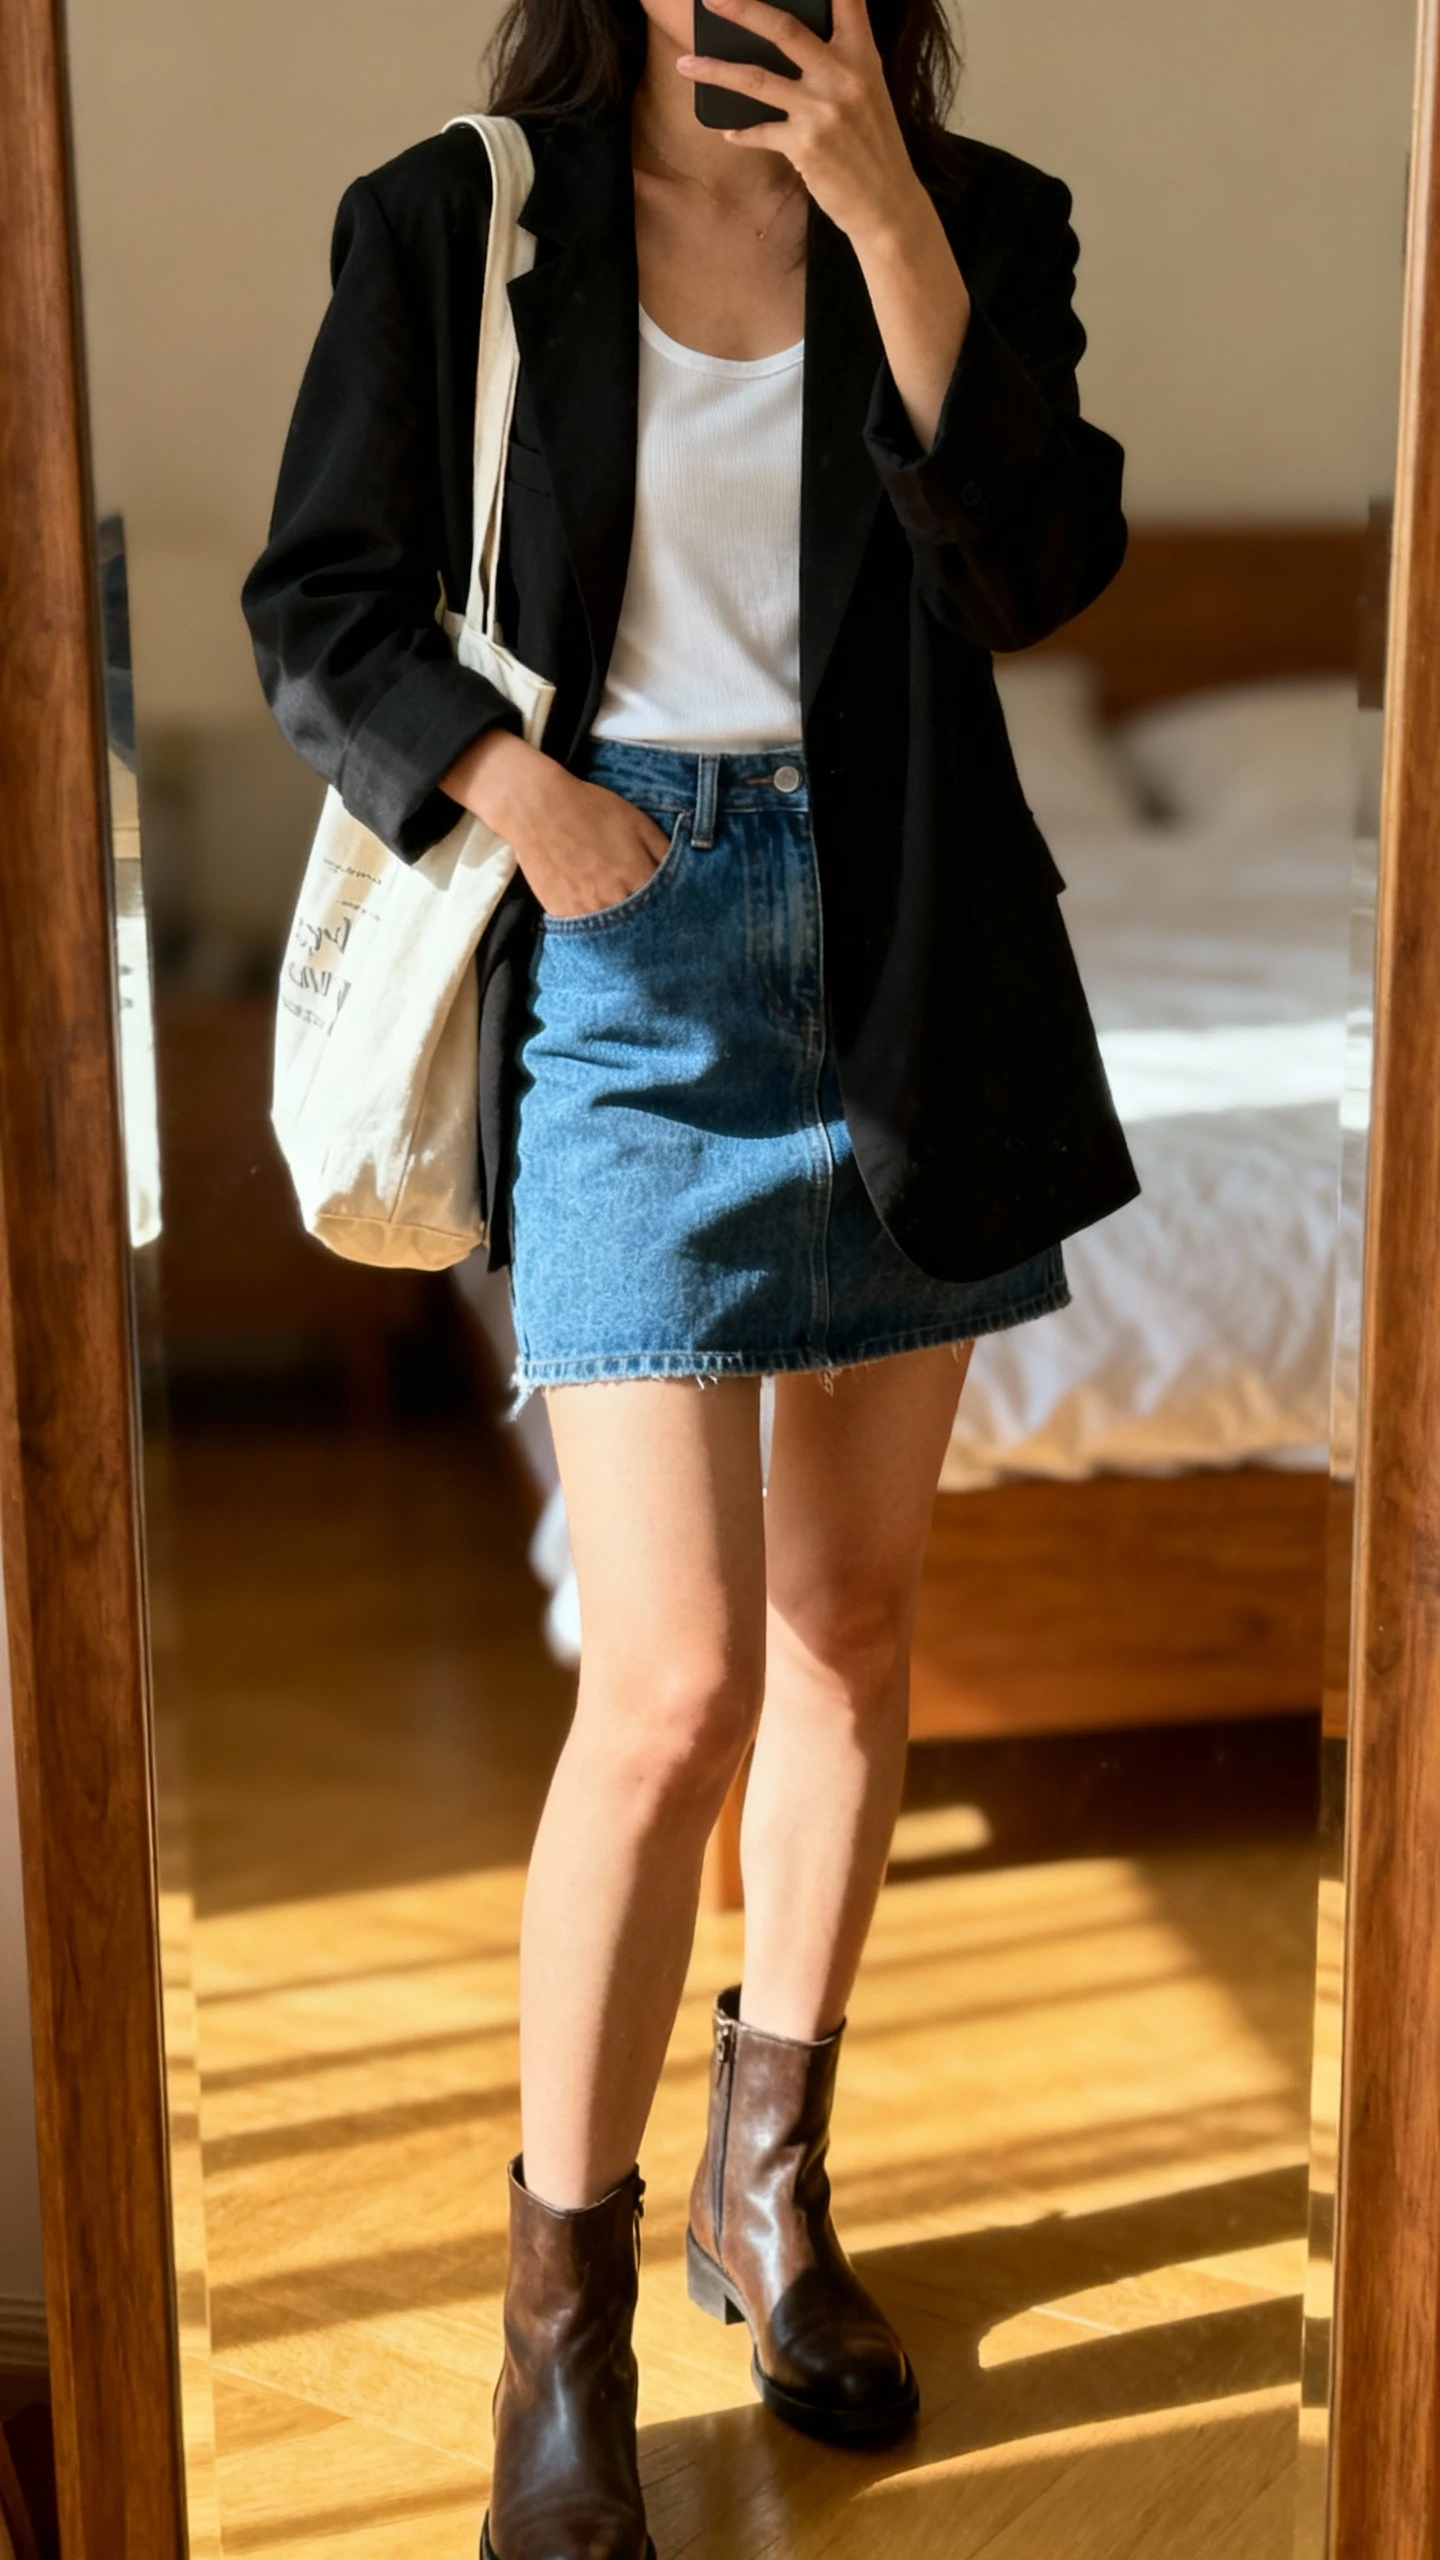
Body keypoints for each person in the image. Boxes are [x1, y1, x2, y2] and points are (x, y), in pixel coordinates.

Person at [243, 0, 1138, 2545]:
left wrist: (887, 221)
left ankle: (779, 2184)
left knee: (857, 1629)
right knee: (673, 1678)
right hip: (620, 954)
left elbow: (1036, 571)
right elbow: (318, 597)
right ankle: (561, 2327)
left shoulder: (987, 224)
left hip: (912, 959)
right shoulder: (461, 216)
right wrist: (517, 791)